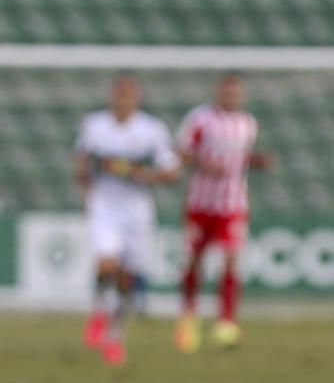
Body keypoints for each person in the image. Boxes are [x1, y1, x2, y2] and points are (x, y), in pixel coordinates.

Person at [75, 75, 180, 366]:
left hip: (136, 207)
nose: (123, 99)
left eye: (128, 94)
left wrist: (142, 174)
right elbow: (82, 161)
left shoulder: (152, 130)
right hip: (104, 204)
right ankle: (98, 310)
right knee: (106, 263)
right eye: (118, 94)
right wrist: (85, 182)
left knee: (127, 277)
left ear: (137, 98)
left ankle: (115, 337)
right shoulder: (95, 125)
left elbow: (172, 172)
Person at [174, 73, 273, 351]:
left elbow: (239, 159)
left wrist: (256, 161)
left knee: (231, 260)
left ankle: (226, 321)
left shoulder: (248, 124)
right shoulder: (200, 119)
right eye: (227, 92)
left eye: (236, 92)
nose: (231, 97)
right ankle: (188, 317)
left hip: (232, 205)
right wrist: (204, 165)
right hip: (200, 203)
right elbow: (180, 152)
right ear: (218, 92)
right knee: (194, 261)